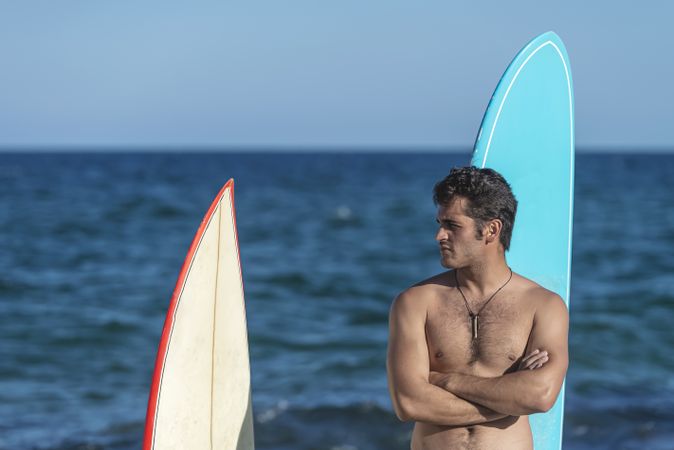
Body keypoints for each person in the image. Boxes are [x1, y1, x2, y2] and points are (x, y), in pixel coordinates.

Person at [386, 166, 569, 449]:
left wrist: (446, 381)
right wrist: (509, 402)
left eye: (452, 225)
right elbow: (408, 402)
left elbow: (539, 395)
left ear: (491, 230)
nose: (439, 236)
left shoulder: (543, 306)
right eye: (439, 223)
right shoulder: (415, 303)